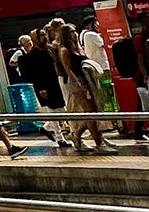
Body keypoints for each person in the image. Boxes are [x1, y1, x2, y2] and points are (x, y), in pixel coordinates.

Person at [46, 19, 113, 152]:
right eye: (71, 32)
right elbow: (68, 70)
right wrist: (81, 86)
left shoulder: (77, 47)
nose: (75, 34)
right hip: (77, 83)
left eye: (75, 31)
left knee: (93, 111)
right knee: (89, 112)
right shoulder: (64, 50)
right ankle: (98, 143)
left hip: (87, 80)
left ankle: (79, 134)